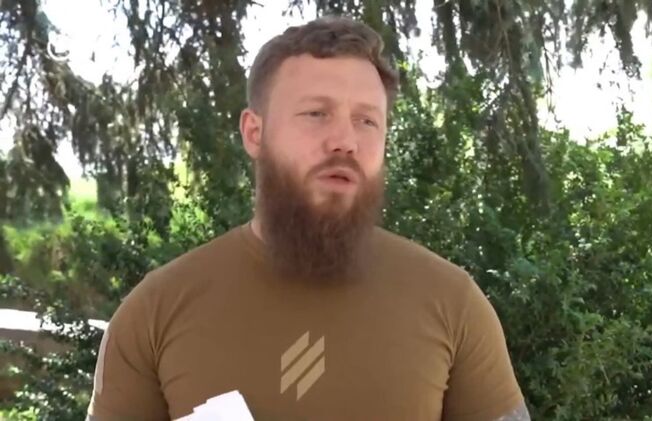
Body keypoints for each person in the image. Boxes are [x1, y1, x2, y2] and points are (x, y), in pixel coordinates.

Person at [87, 15, 529, 421]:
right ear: (254, 132)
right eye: (316, 114)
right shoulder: (155, 312)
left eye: (367, 121)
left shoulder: (453, 303)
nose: (345, 140)